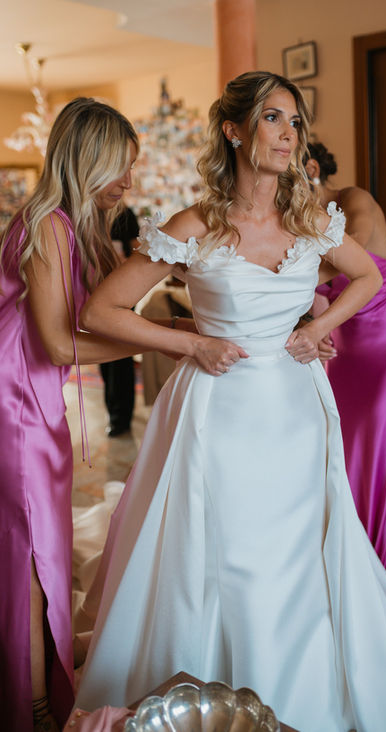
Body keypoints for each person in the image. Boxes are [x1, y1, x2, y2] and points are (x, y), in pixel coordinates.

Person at [74, 73, 386, 732]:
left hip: (297, 410)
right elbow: (102, 311)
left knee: (300, 551)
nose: (288, 134)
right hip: (219, 412)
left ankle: (307, 689)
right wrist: (191, 343)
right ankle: (217, 684)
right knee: (230, 554)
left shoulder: (311, 221)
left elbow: (369, 276)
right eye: (272, 118)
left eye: (295, 122)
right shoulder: (194, 225)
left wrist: (319, 326)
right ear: (234, 130)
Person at [0, 98, 181, 732]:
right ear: (88, 160)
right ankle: (32, 708)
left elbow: (110, 316)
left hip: (35, 400)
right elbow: (58, 343)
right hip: (14, 406)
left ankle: (35, 686)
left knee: (38, 549)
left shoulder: (77, 229)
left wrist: (181, 321)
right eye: (121, 166)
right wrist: (172, 340)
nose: (129, 181)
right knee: (30, 557)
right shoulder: (47, 224)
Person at [305, 141, 386, 603]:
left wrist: (286, 272)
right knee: (349, 451)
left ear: (312, 168)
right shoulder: (298, 223)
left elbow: (351, 249)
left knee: (385, 449)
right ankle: (356, 565)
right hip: (345, 350)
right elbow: (318, 300)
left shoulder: (353, 199)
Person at [100, 206, 140, 437]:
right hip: (96, 289)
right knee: (103, 357)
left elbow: (136, 248)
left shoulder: (125, 214)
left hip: (121, 291)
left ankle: (121, 417)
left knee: (120, 356)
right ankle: (112, 411)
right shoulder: (89, 213)